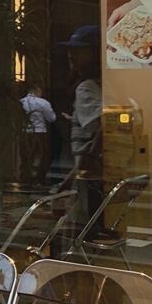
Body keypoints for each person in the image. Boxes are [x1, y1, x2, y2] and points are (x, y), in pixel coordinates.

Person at [57, 25, 103, 226]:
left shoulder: (86, 88)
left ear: (94, 52)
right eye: (70, 49)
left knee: (81, 227)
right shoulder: (101, 84)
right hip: (89, 174)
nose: (71, 54)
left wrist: (86, 162)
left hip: (90, 176)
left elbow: (101, 127)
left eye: (78, 50)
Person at [19, 84, 55, 186]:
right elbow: (51, 118)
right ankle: (38, 179)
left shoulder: (21, 102)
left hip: (25, 132)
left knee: (26, 156)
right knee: (40, 156)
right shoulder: (43, 103)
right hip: (40, 132)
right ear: (37, 91)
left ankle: (25, 179)